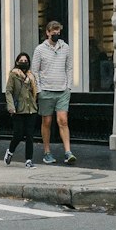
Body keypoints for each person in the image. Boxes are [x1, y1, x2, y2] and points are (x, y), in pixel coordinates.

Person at [32, 20, 75, 164]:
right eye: (53, 31)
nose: (56, 34)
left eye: (58, 31)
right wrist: (39, 90)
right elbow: (34, 71)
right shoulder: (39, 49)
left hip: (62, 90)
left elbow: (69, 68)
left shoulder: (65, 48)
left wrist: (68, 86)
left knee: (63, 120)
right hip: (46, 91)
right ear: (47, 32)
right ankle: (47, 152)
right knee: (47, 121)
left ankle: (68, 152)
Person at [2, 52, 37, 167]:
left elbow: (34, 92)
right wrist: (11, 107)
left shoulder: (32, 76)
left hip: (31, 108)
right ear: (17, 62)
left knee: (30, 135)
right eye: (21, 61)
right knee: (18, 134)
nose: (23, 63)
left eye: (25, 61)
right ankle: (10, 151)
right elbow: (8, 91)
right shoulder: (13, 75)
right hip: (18, 109)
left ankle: (28, 160)